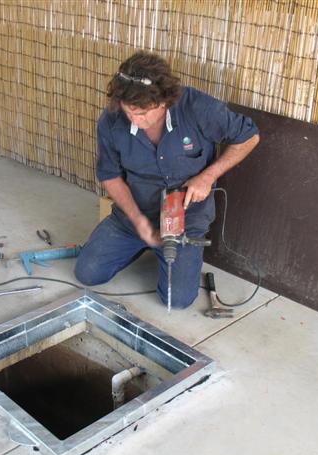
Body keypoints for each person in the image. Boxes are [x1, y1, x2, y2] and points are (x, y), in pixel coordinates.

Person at [75, 51, 260, 309]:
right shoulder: (111, 121)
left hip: (185, 217)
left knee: (177, 300)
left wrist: (208, 176)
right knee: (87, 273)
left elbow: (249, 136)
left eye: (142, 112)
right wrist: (137, 221)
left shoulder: (196, 107)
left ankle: (164, 250)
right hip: (136, 212)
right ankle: (141, 243)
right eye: (129, 111)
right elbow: (110, 175)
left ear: (163, 101)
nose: (135, 120)